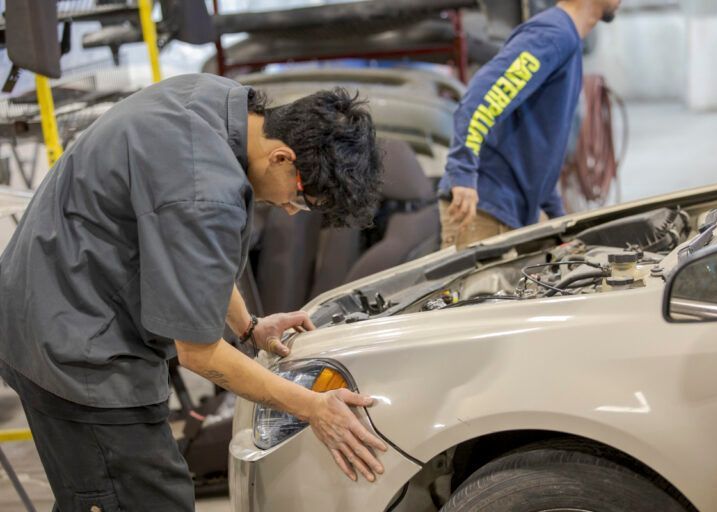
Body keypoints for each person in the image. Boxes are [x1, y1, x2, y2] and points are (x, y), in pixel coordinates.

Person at [0, 73, 385, 511]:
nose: (290, 211)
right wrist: (313, 407)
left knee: (102, 493)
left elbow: (193, 260)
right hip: (73, 344)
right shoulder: (205, 192)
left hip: (50, 296)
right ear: (282, 157)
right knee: (142, 499)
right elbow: (199, 354)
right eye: (300, 201)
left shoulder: (216, 100)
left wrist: (249, 326)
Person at [439, 0, 621, 249]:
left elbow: (540, 148)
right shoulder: (553, 34)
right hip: (481, 211)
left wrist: (559, 221)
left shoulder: (567, 40)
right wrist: (462, 174)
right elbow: (480, 100)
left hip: (508, 213)